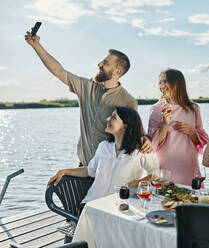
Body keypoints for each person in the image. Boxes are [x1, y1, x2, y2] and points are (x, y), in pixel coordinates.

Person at [25, 30, 152, 167]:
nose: (99, 64)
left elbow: (136, 133)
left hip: (109, 169)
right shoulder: (86, 87)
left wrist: (146, 139)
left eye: (105, 63)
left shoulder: (128, 101)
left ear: (117, 72)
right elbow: (58, 71)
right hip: (84, 166)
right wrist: (36, 46)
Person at [48, 107, 158, 209]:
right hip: (92, 205)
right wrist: (64, 171)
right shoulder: (103, 146)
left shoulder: (141, 149)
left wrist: (135, 183)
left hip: (120, 206)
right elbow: (90, 170)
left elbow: (156, 175)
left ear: (126, 125)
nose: (108, 119)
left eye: (114, 117)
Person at [148, 68, 208, 186]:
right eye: (160, 82)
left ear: (177, 84)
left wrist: (191, 132)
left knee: (192, 200)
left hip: (189, 165)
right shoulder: (156, 109)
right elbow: (152, 144)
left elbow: (201, 142)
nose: (161, 86)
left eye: (165, 81)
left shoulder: (193, 108)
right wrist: (165, 124)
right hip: (166, 167)